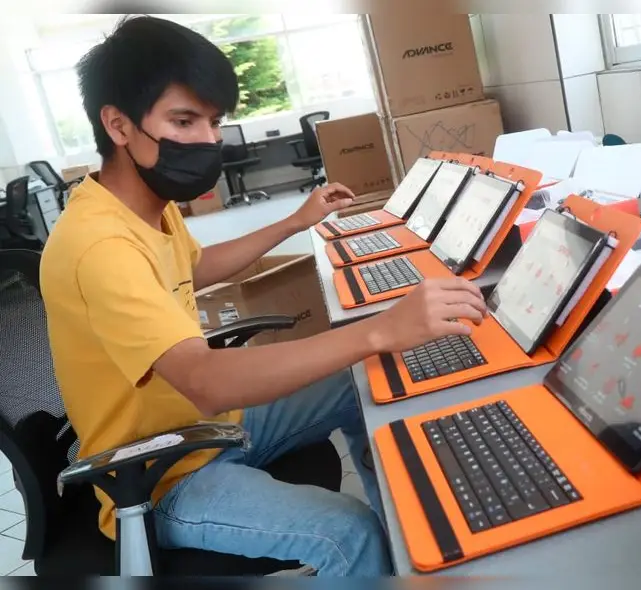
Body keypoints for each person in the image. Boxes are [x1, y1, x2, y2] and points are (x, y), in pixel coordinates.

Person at [39, 16, 487, 577]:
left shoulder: (141, 204)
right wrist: (377, 329)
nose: (208, 139)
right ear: (119, 125)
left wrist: (298, 221)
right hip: (163, 473)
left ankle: (406, 541)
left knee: (363, 378)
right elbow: (206, 380)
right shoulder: (98, 243)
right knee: (349, 536)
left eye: (213, 121)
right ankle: (373, 563)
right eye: (184, 120)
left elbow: (196, 268)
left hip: (211, 427)